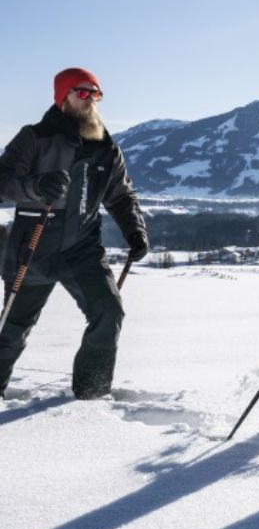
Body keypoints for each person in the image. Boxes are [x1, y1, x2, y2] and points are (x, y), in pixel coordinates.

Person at [0, 67, 149, 400]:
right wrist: (36, 187)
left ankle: (90, 396)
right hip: (34, 246)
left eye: (96, 94)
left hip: (82, 247)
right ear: (62, 97)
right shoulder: (34, 138)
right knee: (12, 329)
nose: (91, 100)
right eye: (83, 93)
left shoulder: (106, 147)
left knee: (108, 312)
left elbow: (121, 195)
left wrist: (134, 230)